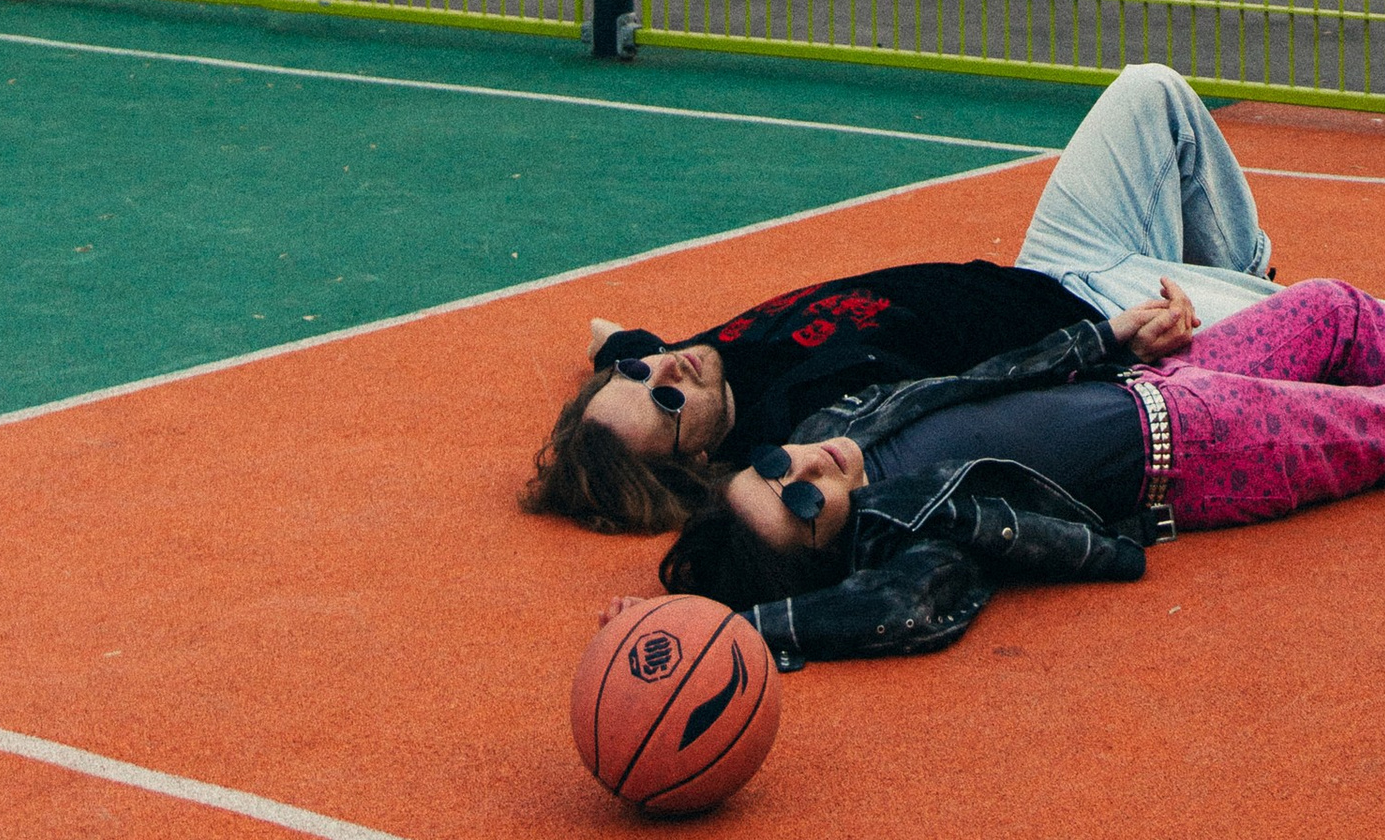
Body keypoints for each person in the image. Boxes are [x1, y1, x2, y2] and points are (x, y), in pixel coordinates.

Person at [639, 253, 1385, 668]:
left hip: (1152, 385)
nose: (804, 469)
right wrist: (744, 627)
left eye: (775, 466)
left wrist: (1108, 336)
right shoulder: (915, 534)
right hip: (1196, 450)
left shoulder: (868, 424)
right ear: (839, 546)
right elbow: (903, 615)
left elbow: (994, 378)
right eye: (805, 505)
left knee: (1333, 312)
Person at [524, 64, 1288, 536]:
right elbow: (975, 399)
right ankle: (1252, 329)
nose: (665, 372)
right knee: (1337, 318)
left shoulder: (689, 360)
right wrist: (1118, 345)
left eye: (636, 374)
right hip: (1101, 324)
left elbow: (622, 347)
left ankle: (1248, 280)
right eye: (661, 401)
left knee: (1149, 89)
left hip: (1053, 262)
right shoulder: (805, 422)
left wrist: (612, 347)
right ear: (694, 456)